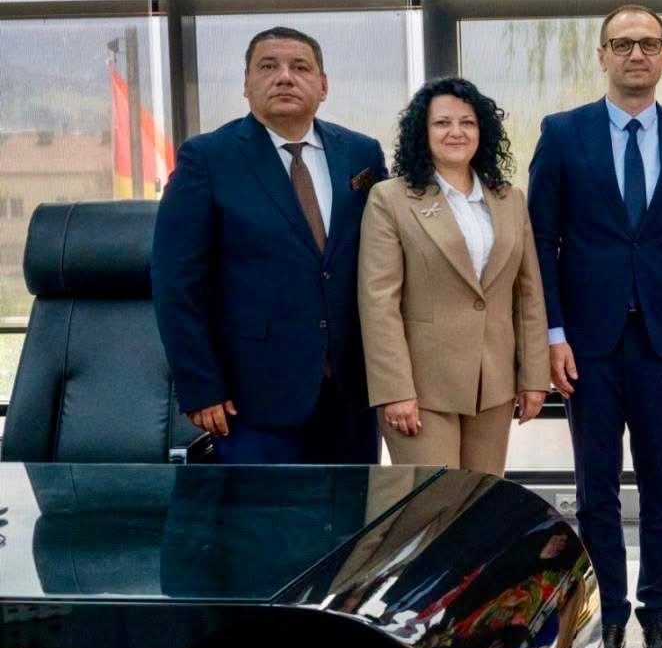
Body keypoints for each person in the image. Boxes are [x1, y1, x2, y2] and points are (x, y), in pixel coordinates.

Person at [527, 4, 662, 648]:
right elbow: (540, 243)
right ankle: (608, 615)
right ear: (603, 54)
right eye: (622, 43)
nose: (636, 54)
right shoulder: (563, 133)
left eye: (648, 43)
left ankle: (658, 618)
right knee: (596, 488)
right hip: (588, 343)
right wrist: (552, 333)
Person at [153, 27, 387, 464]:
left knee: (355, 509)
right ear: (246, 84)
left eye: (300, 67)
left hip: (352, 394)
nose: (284, 77)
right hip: (251, 398)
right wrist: (201, 386)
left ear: (323, 85)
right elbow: (176, 284)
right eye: (267, 66)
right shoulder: (207, 159)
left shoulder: (362, 154)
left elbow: (385, 261)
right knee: (262, 512)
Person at [358, 77, 549, 474]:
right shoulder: (390, 198)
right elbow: (379, 302)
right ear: (422, 132)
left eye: (467, 122)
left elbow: (528, 294)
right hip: (422, 389)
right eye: (442, 123)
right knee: (434, 504)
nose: (456, 132)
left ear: (483, 131)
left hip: (493, 385)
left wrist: (534, 377)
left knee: (481, 501)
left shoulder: (509, 199)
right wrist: (395, 389)